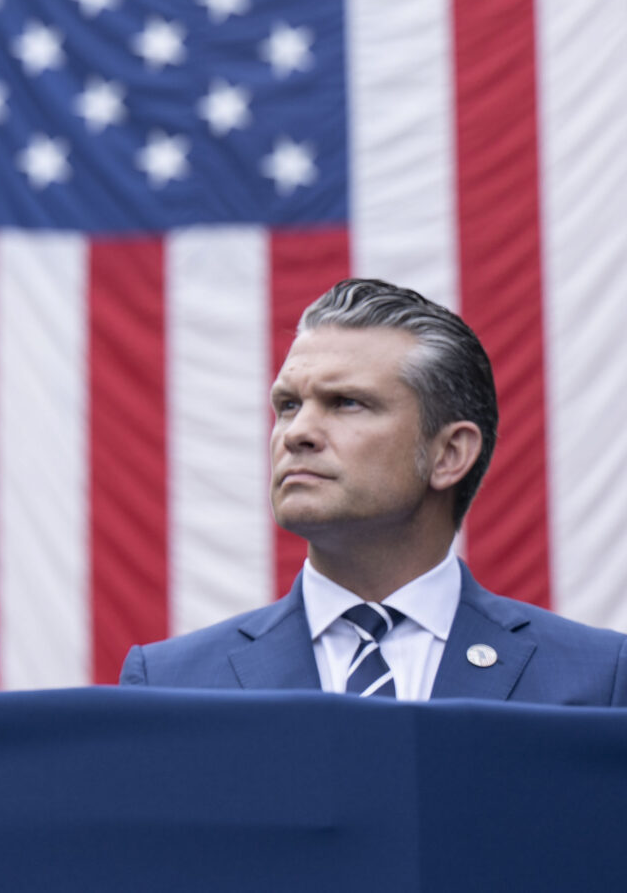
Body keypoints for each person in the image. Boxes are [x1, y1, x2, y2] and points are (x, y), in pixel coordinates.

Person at [119, 278, 626, 703]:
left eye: (346, 403)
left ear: (449, 454)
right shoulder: (170, 686)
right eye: (289, 405)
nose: (296, 433)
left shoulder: (599, 681)